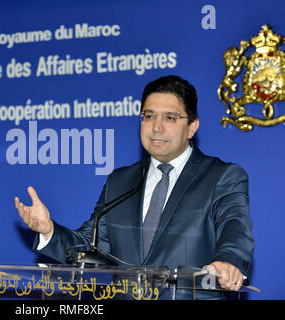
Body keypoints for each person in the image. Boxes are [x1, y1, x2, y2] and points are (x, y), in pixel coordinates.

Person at [15, 75, 254, 299]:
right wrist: (48, 231)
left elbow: (234, 227)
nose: (156, 128)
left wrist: (229, 261)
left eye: (170, 118)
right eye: (149, 116)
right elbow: (90, 247)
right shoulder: (121, 181)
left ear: (192, 127)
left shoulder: (221, 176)